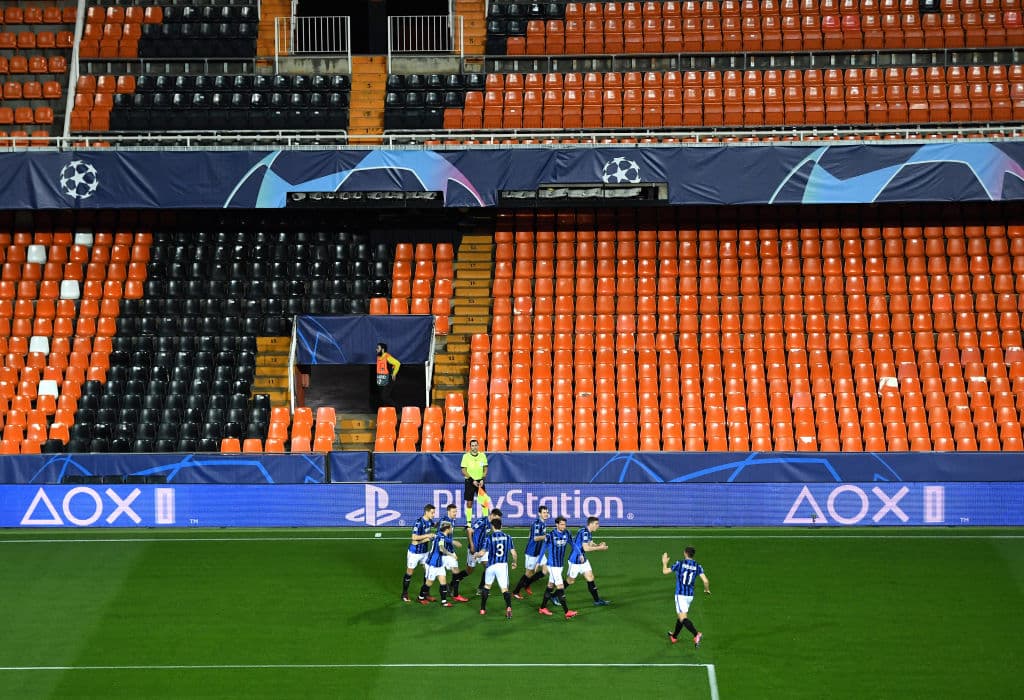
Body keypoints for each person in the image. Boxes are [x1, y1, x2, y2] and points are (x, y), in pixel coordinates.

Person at [449, 507, 501, 600]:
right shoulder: (482, 521)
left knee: (488, 567)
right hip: (474, 549)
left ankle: (481, 588)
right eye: (497, 518)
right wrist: (472, 545)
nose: (498, 521)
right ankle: (452, 584)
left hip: (483, 550)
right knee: (469, 571)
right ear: (492, 515)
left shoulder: (492, 523)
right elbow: (469, 530)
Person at [663, 547, 711, 647]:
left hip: (680, 595)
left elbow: (665, 571)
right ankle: (674, 637)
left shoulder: (680, 563)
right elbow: (706, 581)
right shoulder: (698, 566)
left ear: (685, 553)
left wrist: (664, 563)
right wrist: (706, 590)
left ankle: (696, 634)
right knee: (680, 616)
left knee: (683, 618)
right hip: (689, 596)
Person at [538, 516, 577, 619]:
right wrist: (538, 561)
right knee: (560, 587)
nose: (564, 526)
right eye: (562, 524)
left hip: (560, 565)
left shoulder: (567, 533)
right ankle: (567, 612)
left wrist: (580, 554)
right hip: (553, 565)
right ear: (557, 524)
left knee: (550, 585)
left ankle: (542, 608)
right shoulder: (550, 535)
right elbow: (543, 548)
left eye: (565, 524)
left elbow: (573, 544)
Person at [566, 516, 611, 606]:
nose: (598, 526)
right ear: (591, 524)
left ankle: (597, 600)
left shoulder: (587, 531)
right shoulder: (585, 532)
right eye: (596, 524)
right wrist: (600, 548)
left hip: (582, 559)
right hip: (575, 560)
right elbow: (586, 548)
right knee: (570, 581)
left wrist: (598, 545)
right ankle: (554, 595)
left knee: (590, 577)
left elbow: (590, 543)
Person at [479, 517, 517, 619]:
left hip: (491, 565)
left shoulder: (489, 538)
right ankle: (508, 607)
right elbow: (514, 553)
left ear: (492, 527)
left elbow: (482, 553)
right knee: (504, 589)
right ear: (501, 526)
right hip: (502, 566)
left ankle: (482, 609)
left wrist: (476, 555)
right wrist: (514, 562)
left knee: (487, 586)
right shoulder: (508, 537)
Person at [512, 505, 549, 599]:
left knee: (545, 570)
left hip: (539, 551)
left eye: (547, 512)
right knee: (529, 573)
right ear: (539, 514)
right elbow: (535, 538)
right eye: (544, 512)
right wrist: (546, 537)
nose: (546, 514)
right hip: (532, 552)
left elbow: (530, 534)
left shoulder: (543, 523)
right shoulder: (537, 524)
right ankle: (516, 591)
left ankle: (527, 584)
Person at [402, 504, 436, 602]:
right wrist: (427, 536)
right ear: (426, 512)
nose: (433, 515)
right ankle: (404, 593)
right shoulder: (419, 522)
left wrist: (443, 523)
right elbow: (414, 538)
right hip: (414, 553)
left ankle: (425, 594)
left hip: (424, 552)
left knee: (428, 572)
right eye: (432, 513)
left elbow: (435, 525)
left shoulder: (429, 521)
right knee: (409, 572)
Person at [417, 522, 456, 607]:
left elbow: (429, 539)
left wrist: (419, 542)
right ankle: (420, 598)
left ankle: (444, 602)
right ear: (447, 529)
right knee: (428, 583)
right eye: (451, 528)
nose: (452, 529)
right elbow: (441, 549)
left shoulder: (438, 535)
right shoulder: (441, 537)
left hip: (439, 564)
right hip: (432, 564)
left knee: (443, 583)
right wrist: (451, 555)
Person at [460, 438, 488, 522]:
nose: (474, 447)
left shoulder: (482, 456)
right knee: (469, 503)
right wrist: (472, 480)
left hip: (480, 482)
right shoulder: (466, 456)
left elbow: (485, 469)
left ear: (478, 446)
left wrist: (482, 479)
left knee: (484, 502)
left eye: (476, 445)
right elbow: (463, 470)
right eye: (472, 446)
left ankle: (486, 522)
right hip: (470, 482)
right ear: (470, 447)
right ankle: (468, 523)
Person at [375, 342, 401, 408]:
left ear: (383, 349)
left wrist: (394, 374)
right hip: (381, 379)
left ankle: (398, 409)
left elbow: (397, 363)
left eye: (378, 348)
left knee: (384, 397)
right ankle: (386, 412)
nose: (376, 349)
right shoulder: (378, 357)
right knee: (382, 398)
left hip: (388, 379)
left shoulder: (387, 356)